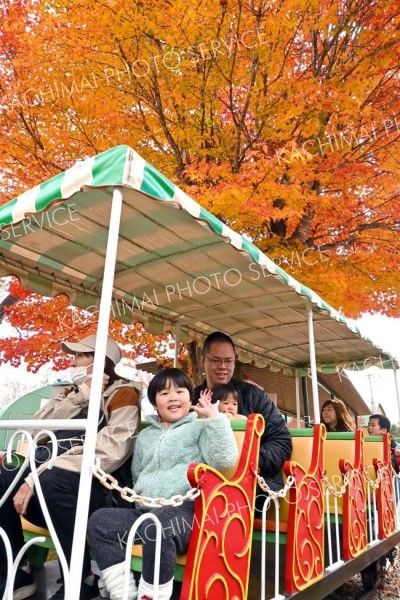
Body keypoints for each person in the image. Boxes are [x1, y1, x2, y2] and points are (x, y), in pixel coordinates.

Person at [0, 334, 141, 600]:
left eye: (81, 356)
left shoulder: (124, 394)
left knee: (51, 482)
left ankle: (80, 578)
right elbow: (35, 431)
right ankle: (18, 571)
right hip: (50, 484)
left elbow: (111, 451)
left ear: (102, 361)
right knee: (3, 476)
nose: (74, 361)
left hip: (100, 490)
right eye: (74, 356)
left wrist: (36, 475)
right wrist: (82, 396)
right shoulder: (69, 393)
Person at [87, 367, 238, 600]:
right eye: (165, 393)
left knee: (158, 526)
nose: (174, 397)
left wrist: (214, 419)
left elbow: (224, 459)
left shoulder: (200, 427)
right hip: (147, 509)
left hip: (189, 512)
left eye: (180, 391)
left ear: (190, 396)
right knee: (100, 521)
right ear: (155, 402)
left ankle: (152, 595)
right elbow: (138, 474)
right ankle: (122, 593)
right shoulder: (146, 435)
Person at [193, 331, 292, 492]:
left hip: (254, 484)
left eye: (228, 361)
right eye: (216, 360)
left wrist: (248, 461)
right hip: (200, 481)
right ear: (203, 360)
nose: (223, 366)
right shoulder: (191, 399)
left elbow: (281, 440)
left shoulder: (255, 396)